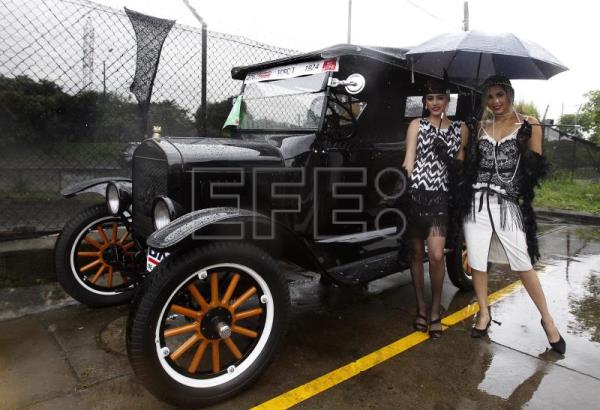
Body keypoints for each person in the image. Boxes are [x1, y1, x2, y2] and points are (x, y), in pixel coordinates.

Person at [459, 75, 565, 354]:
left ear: (510, 95)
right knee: (478, 261)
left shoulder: (528, 124)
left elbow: (536, 168)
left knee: (523, 263)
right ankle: (484, 313)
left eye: (500, 95)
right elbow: (465, 160)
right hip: (476, 204)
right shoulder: (481, 126)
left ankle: (548, 320)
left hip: (508, 204)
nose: (495, 102)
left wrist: (525, 140)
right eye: (490, 97)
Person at [402, 79, 468, 339]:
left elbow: (460, 168)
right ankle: (420, 308)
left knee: (438, 255)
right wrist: (402, 189)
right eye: (430, 99)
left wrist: (448, 158)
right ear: (425, 102)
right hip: (417, 196)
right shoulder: (416, 125)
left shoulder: (460, 129)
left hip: (441, 198)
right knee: (417, 253)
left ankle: (435, 312)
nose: (435, 103)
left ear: (447, 101)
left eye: (440, 98)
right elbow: (409, 160)